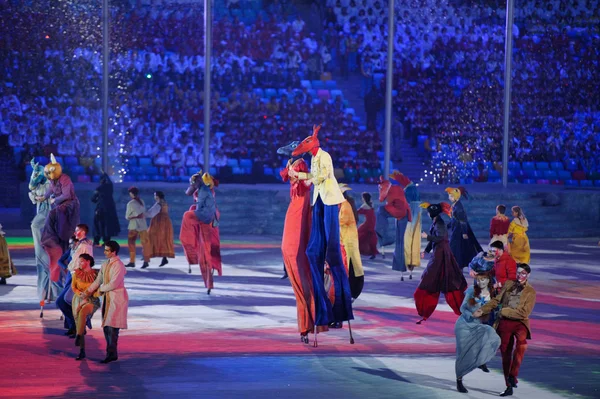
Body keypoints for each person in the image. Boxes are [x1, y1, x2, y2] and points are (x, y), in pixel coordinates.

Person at [289, 124, 354, 339]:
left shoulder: (324, 156)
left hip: (328, 200)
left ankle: (338, 305)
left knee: (331, 250)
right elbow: (312, 178)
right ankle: (321, 308)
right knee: (312, 251)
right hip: (318, 201)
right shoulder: (313, 159)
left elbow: (322, 177)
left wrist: (300, 177)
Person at [278, 140, 318, 343]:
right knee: (288, 250)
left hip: (300, 208)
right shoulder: (290, 163)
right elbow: (287, 176)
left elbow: (312, 179)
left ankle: (308, 318)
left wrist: (301, 176)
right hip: (295, 207)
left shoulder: (300, 163)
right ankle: (304, 321)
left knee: (295, 253)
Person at [479, 264, 536, 397]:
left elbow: (524, 312)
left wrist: (504, 311)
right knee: (506, 353)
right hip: (504, 322)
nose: (519, 276)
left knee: (522, 344)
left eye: (523, 273)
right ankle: (508, 384)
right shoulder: (509, 284)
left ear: (528, 275)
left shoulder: (530, 291)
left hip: (520, 322)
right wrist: (483, 309)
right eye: (518, 273)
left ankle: (513, 374)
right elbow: (496, 301)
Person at [414, 202, 467, 323]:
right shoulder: (437, 222)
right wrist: (426, 250)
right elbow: (435, 239)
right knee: (437, 279)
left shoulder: (439, 223)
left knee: (430, 279)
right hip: (438, 253)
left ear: (431, 213)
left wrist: (427, 237)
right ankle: (425, 307)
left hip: (441, 255)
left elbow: (440, 238)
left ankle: (425, 306)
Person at [36, 154, 80, 284]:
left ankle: (60, 236)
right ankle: (51, 238)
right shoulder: (52, 181)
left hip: (69, 205)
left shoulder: (64, 179)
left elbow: (66, 195)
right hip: (60, 205)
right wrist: (44, 197)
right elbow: (50, 190)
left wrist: (55, 199)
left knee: (54, 214)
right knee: (53, 214)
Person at [455, 272, 501, 393]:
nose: (481, 282)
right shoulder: (471, 290)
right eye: (479, 280)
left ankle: (481, 361)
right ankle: (459, 380)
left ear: (488, 280)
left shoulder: (492, 293)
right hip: (464, 325)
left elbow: (496, 307)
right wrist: (471, 315)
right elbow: (462, 307)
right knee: (462, 353)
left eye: (484, 279)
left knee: (492, 335)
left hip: (478, 325)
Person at [84, 241, 129, 364]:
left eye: (107, 250)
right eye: (105, 250)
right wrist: (87, 291)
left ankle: (111, 353)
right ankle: (111, 353)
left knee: (112, 327)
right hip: (108, 298)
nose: (105, 252)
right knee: (107, 327)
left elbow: (114, 284)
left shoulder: (118, 265)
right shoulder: (105, 264)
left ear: (114, 252)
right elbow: (98, 280)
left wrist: (100, 290)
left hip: (117, 298)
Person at [28, 159, 59, 303]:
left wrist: (49, 199)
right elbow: (32, 190)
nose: (37, 176)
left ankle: (55, 292)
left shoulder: (51, 184)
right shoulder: (37, 185)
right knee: (42, 262)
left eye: (39, 173)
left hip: (50, 216)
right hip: (42, 214)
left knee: (53, 259)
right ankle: (45, 293)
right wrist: (38, 197)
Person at [56, 224, 93, 337]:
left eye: (76, 230)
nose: (74, 232)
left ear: (82, 231)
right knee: (61, 302)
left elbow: (87, 263)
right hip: (73, 276)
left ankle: (80, 325)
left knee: (67, 301)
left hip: (78, 277)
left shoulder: (85, 246)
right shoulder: (79, 245)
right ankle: (75, 326)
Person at [378, 172, 412, 280]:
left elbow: (381, 198)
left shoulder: (393, 189)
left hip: (401, 213)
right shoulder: (396, 188)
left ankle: (386, 238)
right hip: (400, 213)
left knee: (400, 242)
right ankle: (385, 238)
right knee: (400, 242)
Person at [71, 253, 101, 360]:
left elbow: (97, 289)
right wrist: (80, 295)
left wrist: (87, 297)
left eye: (81, 261)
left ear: (88, 262)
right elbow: (73, 287)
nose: (79, 263)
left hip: (91, 299)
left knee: (83, 311)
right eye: (79, 261)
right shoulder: (77, 273)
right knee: (80, 322)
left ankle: (78, 335)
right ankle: (82, 350)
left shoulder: (96, 274)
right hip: (78, 299)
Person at [445, 187, 483, 269]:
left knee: (455, 248)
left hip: (459, 230)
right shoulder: (455, 205)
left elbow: (463, 221)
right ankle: (456, 265)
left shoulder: (459, 207)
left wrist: (464, 232)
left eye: (451, 196)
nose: (449, 197)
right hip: (456, 229)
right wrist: (447, 226)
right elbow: (453, 219)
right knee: (457, 248)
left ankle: (457, 265)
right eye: (449, 196)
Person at [338, 184, 365, 300]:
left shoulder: (345, 205)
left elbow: (342, 221)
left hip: (348, 240)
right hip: (345, 239)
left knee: (351, 265)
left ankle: (351, 292)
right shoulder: (344, 204)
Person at [145, 191, 175, 267]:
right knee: (164, 239)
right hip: (166, 223)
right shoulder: (165, 203)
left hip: (158, 223)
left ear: (157, 196)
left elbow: (151, 213)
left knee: (149, 238)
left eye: (155, 195)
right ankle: (164, 258)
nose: (154, 197)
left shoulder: (158, 204)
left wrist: (142, 214)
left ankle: (147, 257)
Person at [91, 172, 121, 246]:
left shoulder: (99, 188)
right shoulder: (110, 187)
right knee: (107, 225)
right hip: (110, 210)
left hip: (100, 209)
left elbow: (93, 199)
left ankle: (96, 240)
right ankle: (106, 241)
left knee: (98, 224)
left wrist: (97, 198)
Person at [125, 186, 150, 269]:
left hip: (134, 226)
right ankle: (146, 261)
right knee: (145, 244)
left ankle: (132, 261)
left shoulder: (130, 203)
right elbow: (143, 213)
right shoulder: (141, 201)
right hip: (143, 225)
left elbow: (127, 216)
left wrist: (134, 216)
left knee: (131, 243)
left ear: (131, 194)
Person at [403, 175, 422, 276]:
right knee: (415, 238)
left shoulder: (407, 190)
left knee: (407, 237)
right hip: (418, 211)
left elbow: (405, 204)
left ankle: (407, 261)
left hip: (410, 212)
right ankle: (413, 261)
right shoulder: (415, 189)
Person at [357, 192, 379, 259]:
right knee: (370, 237)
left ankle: (359, 251)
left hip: (368, 223)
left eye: (362, 197)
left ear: (364, 198)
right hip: (372, 222)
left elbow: (357, 212)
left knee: (359, 234)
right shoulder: (371, 204)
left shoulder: (364, 205)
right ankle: (372, 253)